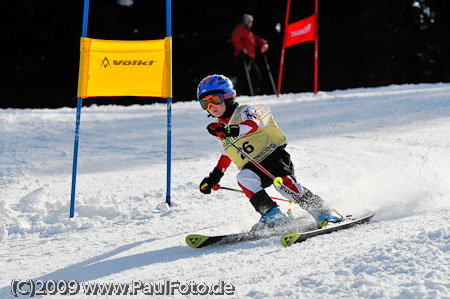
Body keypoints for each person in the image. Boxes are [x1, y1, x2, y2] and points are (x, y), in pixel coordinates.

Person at [197, 74, 343, 229]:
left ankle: (323, 210)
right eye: (205, 103)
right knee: (244, 177)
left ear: (228, 96)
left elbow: (252, 124)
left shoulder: (244, 111)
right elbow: (227, 154)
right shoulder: (220, 128)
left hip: (273, 156)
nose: (211, 106)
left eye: (215, 100)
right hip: (254, 165)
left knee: (283, 186)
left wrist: (229, 130)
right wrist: (214, 177)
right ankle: (273, 215)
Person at [231, 14, 268, 96]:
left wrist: (263, 43)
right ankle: (237, 94)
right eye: (249, 21)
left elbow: (255, 40)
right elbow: (235, 39)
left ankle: (252, 93)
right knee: (243, 76)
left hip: (250, 56)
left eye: (251, 21)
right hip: (242, 56)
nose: (251, 23)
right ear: (244, 21)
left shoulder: (249, 31)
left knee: (256, 75)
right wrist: (241, 49)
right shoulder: (239, 29)